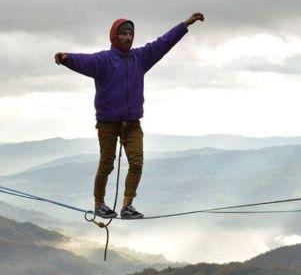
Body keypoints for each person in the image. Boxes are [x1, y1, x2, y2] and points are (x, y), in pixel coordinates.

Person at [54, 13, 205, 219]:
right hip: (107, 122)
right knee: (107, 163)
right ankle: (99, 204)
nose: (128, 37)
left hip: (132, 123)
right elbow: (84, 61)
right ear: (115, 36)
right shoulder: (104, 61)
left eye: (130, 33)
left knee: (136, 162)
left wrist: (185, 24)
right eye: (123, 34)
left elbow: (163, 43)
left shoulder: (140, 58)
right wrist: (66, 58)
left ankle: (127, 206)